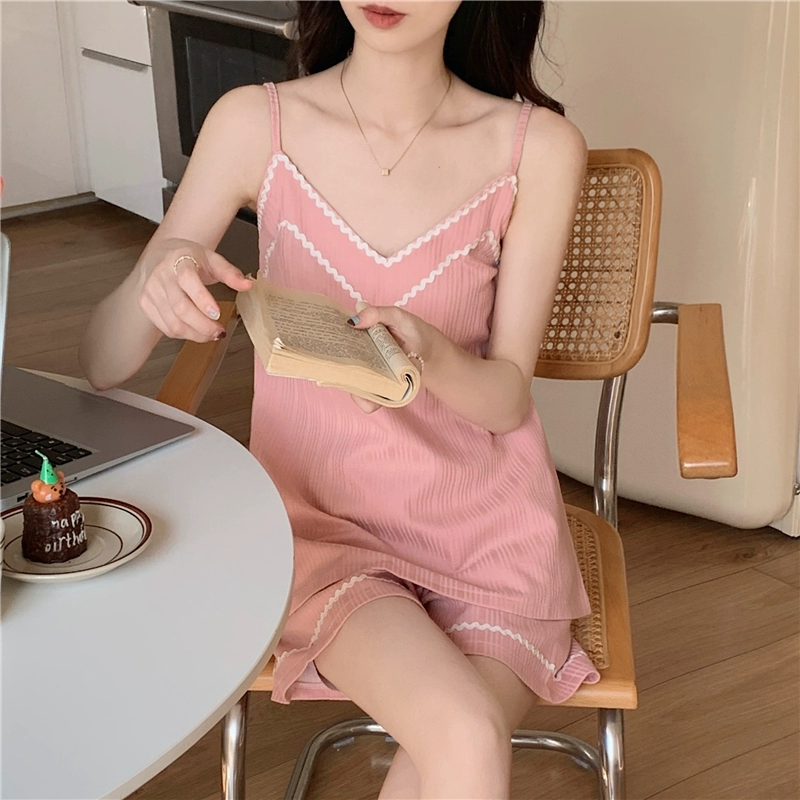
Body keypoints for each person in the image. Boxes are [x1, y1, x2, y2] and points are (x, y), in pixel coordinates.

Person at [80, 2, 599, 797]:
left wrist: (432, 354)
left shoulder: (538, 148)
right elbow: (102, 360)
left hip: (492, 537)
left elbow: (505, 399)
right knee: (463, 735)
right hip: (322, 529)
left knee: (452, 751)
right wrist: (161, 273)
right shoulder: (255, 125)